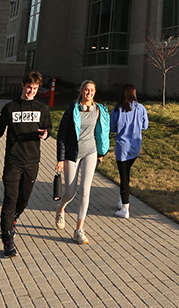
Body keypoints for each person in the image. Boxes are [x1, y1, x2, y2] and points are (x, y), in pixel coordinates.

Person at [0, 71, 51, 258]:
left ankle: (12, 221)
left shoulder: (41, 108)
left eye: (35, 89)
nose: (31, 91)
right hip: (13, 161)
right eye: (29, 87)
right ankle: (7, 240)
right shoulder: (10, 108)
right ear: (23, 85)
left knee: (24, 199)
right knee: (10, 200)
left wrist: (46, 134)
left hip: (32, 161)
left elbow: (48, 127)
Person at [55, 80, 109, 245]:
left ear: (95, 92)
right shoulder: (72, 109)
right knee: (70, 192)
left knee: (85, 190)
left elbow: (103, 131)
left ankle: (79, 230)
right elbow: (62, 134)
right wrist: (61, 158)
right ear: (81, 91)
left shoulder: (99, 110)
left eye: (91, 90)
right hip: (73, 153)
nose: (89, 93)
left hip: (90, 152)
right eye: (86, 90)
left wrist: (101, 152)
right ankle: (60, 208)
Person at [109, 84, 148, 219]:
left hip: (122, 147)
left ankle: (125, 207)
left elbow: (112, 128)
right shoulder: (141, 108)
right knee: (126, 174)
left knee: (124, 176)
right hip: (135, 146)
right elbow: (145, 125)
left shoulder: (117, 109)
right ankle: (122, 198)